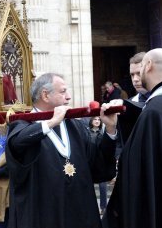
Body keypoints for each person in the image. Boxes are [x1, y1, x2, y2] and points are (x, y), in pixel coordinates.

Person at [6, 73, 118, 228]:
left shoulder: (75, 126)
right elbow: (17, 142)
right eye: (63, 91)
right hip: (44, 215)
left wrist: (111, 129)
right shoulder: (23, 124)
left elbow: (97, 162)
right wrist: (51, 123)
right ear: (45, 95)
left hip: (80, 214)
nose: (69, 97)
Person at [103, 48, 162, 228]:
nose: (136, 78)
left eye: (138, 72)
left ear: (148, 66)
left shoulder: (155, 110)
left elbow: (134, 163)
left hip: (160, 203)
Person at [86, 116, 108, 215]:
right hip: (88, 162)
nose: (97, 121)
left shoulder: (103, 133)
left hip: (100, 163)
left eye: (99, 120)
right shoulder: (86, 132)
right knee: (88, 186)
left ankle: (103, 207)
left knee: (103, 186)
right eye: (95, 119)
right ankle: (89, 207)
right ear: (91, 121)